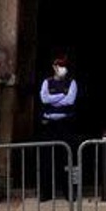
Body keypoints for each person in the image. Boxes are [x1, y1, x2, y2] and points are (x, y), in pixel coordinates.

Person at [37, 52, 78, 201]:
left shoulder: (72, 82)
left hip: (65, 124)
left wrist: (53, 99)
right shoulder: (46, 82)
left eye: (64, 66)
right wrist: (62, 95)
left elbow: (70, 101)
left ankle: (69, 192)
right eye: (60, 65)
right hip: (49, 125)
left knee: (68, 158)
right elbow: (44, 99)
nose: (62, 68)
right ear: (54, 67)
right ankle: (46, 192)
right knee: (46, 159)